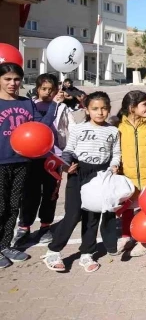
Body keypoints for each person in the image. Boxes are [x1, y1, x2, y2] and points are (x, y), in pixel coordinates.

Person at [43, 92, 121, 273]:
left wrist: (114, 166)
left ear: (108, 109)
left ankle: (87, 252)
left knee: (92, 216)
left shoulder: (113, 131)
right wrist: (66, 166)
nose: (100, 112)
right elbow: (69, 149)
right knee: (73, 215)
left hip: (100, 175)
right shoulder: (78, 128)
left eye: (104, 108)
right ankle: (53, 250)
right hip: (79, 173)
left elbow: (115, 153)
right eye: (95, 108)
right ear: (86, 110)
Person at [0, 63, 61, 268]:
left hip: (21, 162)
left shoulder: (27, 104)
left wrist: (54, 105)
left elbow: (41, 127)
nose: (12, 83)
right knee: (0, 206)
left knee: (13, 206)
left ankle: (5, 244)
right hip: (1, 162)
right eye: (7, 79)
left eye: (16, 79)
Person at [14, 74, 75, 247]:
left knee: (50, 194)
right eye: (44, 89)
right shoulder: (29, 106)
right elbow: (38, 127)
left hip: (53, 158)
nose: (48, 92)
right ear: (37, 88)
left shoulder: (63, 108)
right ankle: (24, 226)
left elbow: (71, 129)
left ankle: (45, 225)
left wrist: (67, 155)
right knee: (29, 194)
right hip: (32, 157)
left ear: (57, 90)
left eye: (51, 89)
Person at [116, 90, 146, 257]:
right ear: (132, 108)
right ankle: (125, 236)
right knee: (127, 209)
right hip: (127, 179)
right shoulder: (119, 128)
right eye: (144, 104)